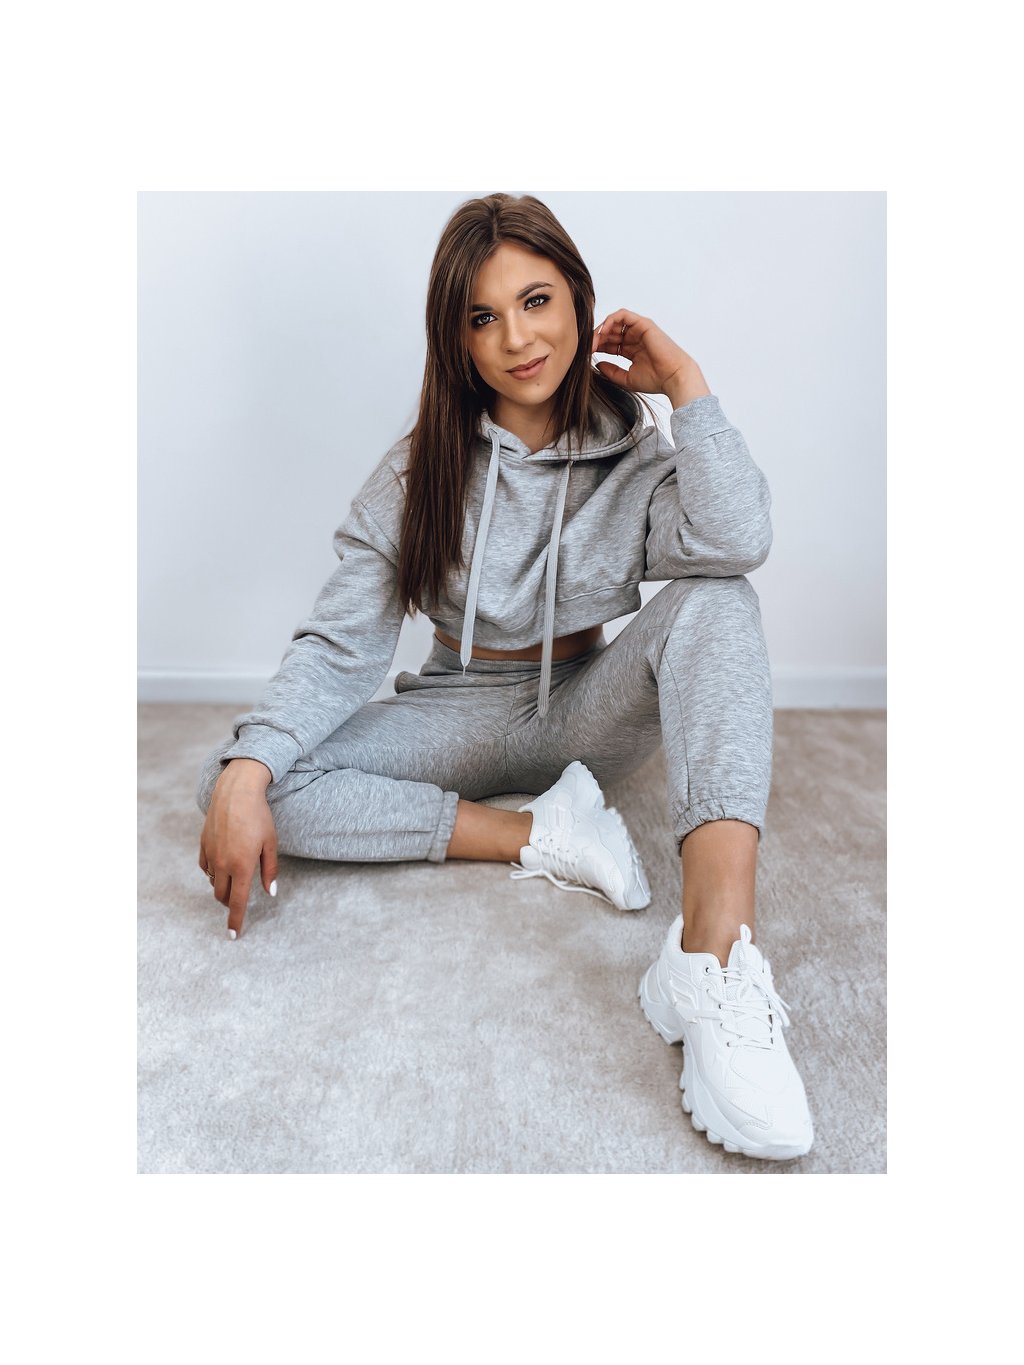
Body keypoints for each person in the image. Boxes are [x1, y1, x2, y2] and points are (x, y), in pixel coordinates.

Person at [195, 192, 814, 1161]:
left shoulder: (637, 458)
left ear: (577, 300)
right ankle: (540, 833)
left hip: (588, 709)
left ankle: (713, 959)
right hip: (460, 711)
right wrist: (249, 771)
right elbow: (340, 644)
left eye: (536, 301)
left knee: (720, 599)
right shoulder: (418, 475)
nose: (517, 339)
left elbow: (738, 537)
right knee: (238, 778)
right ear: (457, 340)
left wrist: (688, 387)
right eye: (483, 317)